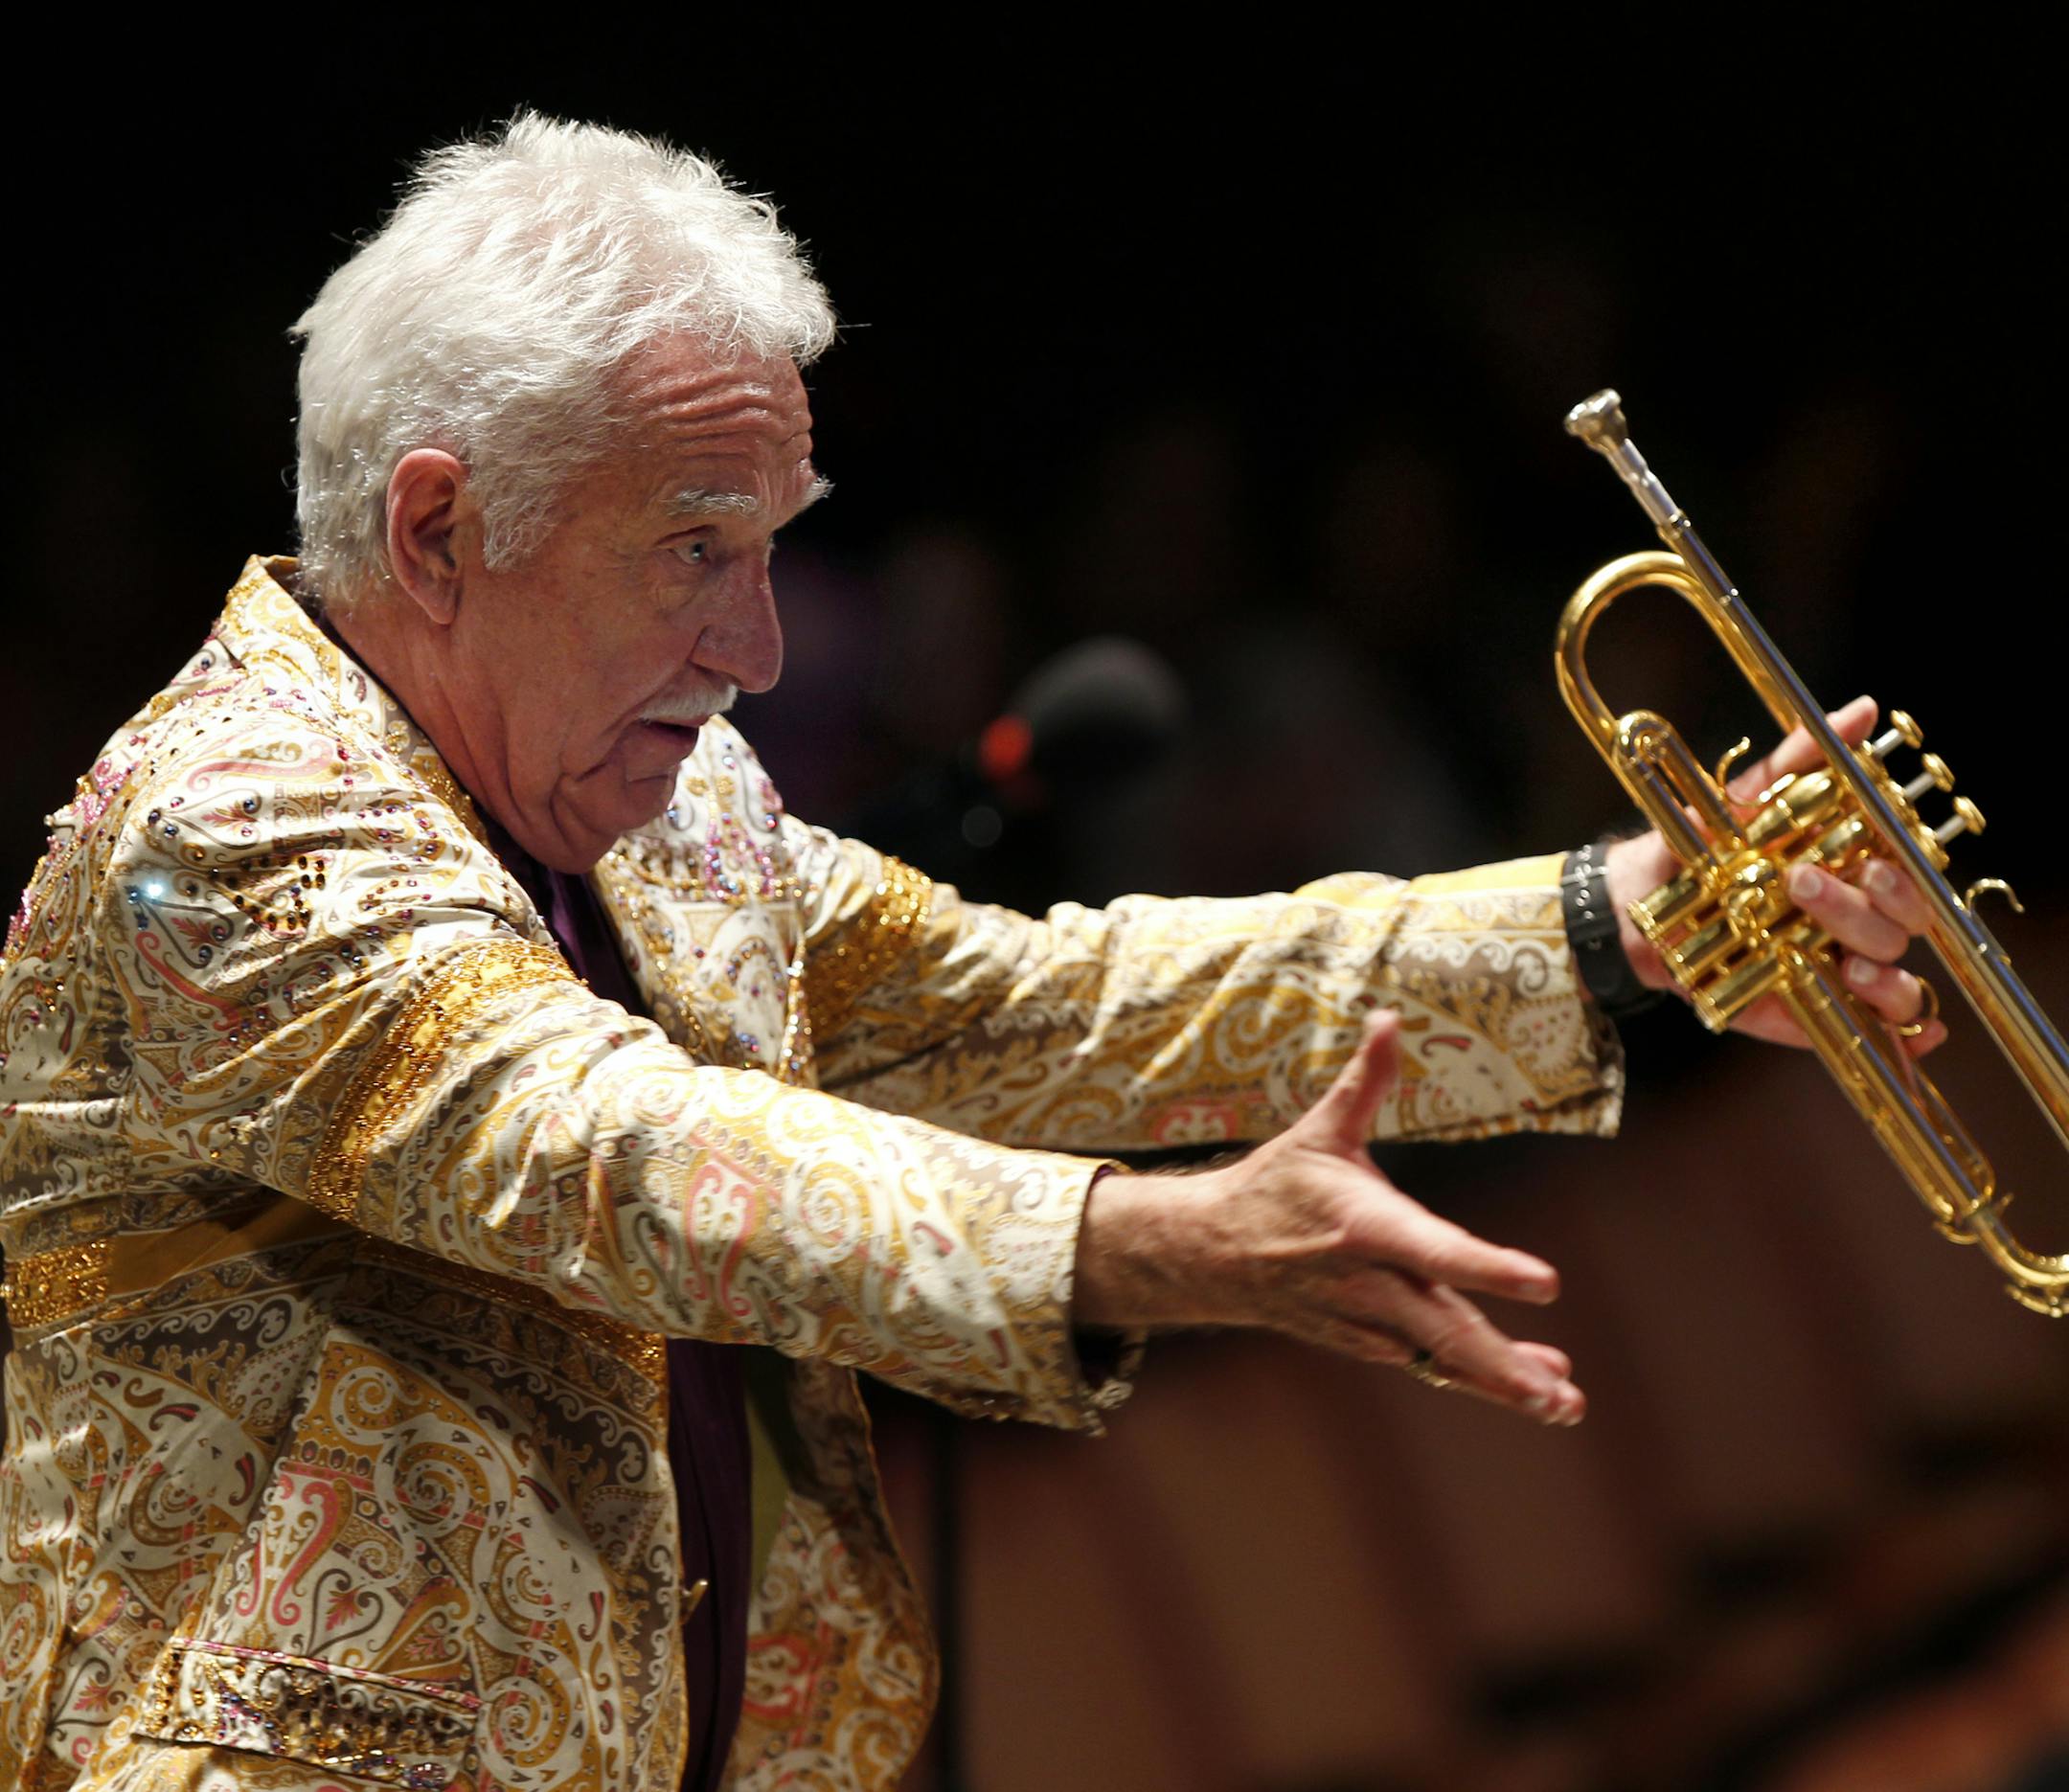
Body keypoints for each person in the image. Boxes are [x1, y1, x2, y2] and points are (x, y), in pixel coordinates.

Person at [0, 115, 1940, 1792]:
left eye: (772, 547)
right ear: (437, 532)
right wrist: (1150, 1244)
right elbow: (625, 1155)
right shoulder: (231, 824)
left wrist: (1622, 923)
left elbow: (1033, 1006)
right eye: (694, 550)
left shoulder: (664, 805)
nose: (759, 649)